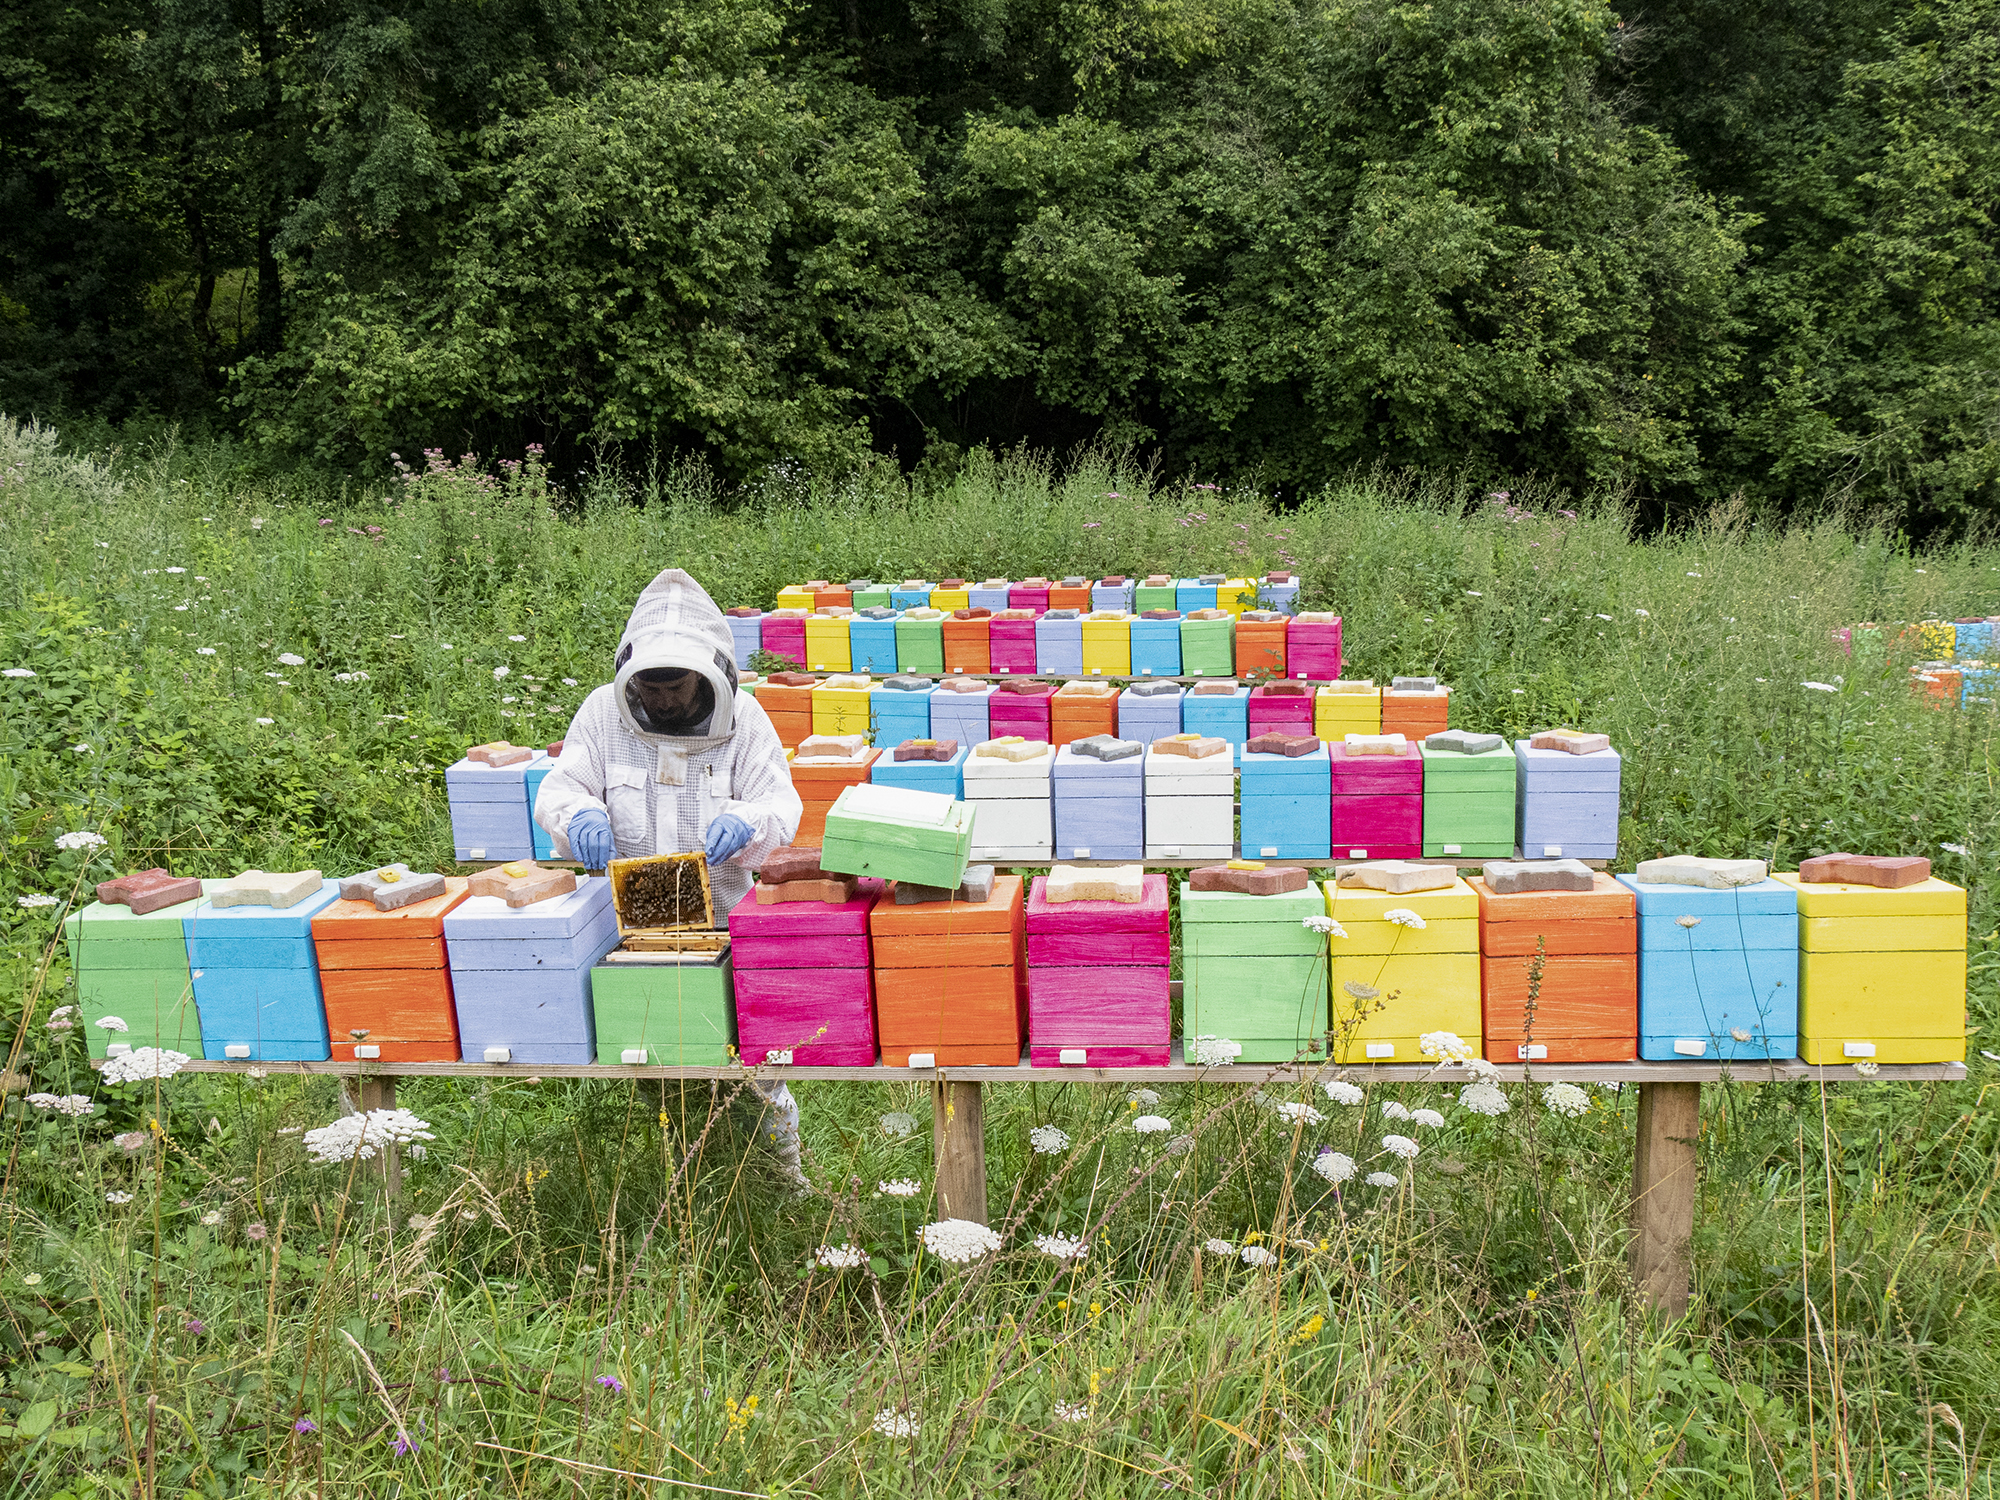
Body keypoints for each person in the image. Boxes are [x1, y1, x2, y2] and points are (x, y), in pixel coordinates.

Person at [535, 568, 807, 1180]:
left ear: (709, 673)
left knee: (754, 1072)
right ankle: (692, 1180)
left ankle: (784, 1181)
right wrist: (579, 814)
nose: (661, 699)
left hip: (727, 923)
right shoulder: (604, 715)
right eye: (650, 686)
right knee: (658, 1066)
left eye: (675, 685)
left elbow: (782, 807)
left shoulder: (748, 719)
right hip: (632, 931)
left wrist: (747, 822)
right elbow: (561, 787)